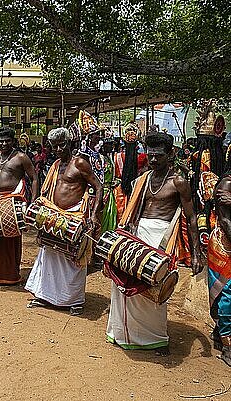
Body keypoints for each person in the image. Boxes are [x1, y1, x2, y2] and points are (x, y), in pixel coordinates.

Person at [105, 132, 202, 355]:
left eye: (159, 155)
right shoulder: (143, 179)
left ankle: (156, 339)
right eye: (150, 155)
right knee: (124, 284)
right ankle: (122, 334)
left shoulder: (178, 181)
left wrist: (196, 253)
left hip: (162, 238)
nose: (154, 160)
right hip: (138, 234)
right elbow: (133, 211)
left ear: (171, 154)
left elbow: (192, 217)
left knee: (154, 288)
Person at [24, 127, 103, 314]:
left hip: (74, 215)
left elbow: (99, 187)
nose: (58, 149)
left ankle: (74, 301)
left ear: (71, 143)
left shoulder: (81, 163)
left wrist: (92, 215)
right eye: (55, 146)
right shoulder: (56, 164)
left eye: (62, 145)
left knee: (73, 259)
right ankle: (46, 296)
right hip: (54, 215)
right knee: (49, 255)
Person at [0, 126, 39, 286]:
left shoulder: (21, 157)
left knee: (11, 240)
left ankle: (11, 276)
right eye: (1, 141)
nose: (4, 144)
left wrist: (32, 201)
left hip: (13, 201)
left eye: (7, 141)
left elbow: (34, 178)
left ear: (13, 141)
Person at [210, 163, 231, 366]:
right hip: (226, 244)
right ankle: (227, 346)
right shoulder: (226, 184)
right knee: (227, 295)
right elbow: (226, 221)